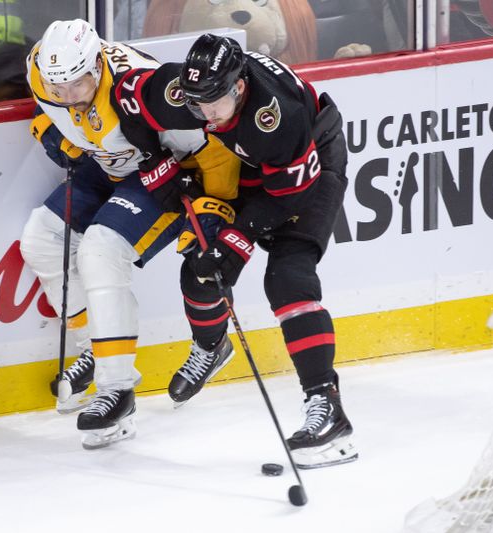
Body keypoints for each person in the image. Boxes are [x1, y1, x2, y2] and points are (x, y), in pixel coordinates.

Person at [112, 33, 357, 469]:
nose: (203, 115)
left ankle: (327, 408)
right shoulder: (188, 90)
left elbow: (287, 195)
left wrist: (239, 237)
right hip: (244, 166)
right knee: (201, 272)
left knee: (288, 279)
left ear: (240, 87)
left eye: (213, 105)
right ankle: (211, 346)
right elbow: (125, 97)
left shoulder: (277, 116)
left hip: (307, 166)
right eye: (194, 105)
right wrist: (155, 165)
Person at [19, 20, 238, 449]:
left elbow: (213, 150)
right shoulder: (39, 70)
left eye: (76, 88)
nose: (66, 97)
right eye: (56, 88)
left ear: (97, 67)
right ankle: (94, 350)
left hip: (163, 177)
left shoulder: (141, 88)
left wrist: (215, 211)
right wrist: (50, 131)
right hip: (105, 165)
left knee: (100, 250)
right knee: (42, 239)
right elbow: (48, 109)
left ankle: (116, 390)